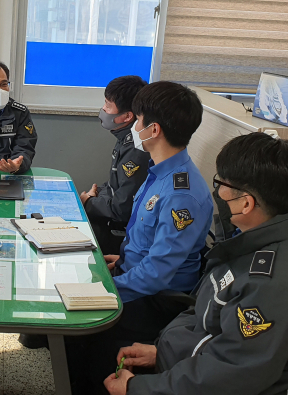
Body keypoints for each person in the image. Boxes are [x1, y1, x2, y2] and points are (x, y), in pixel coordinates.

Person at [105, 132, 288, 395]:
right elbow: (212, 320)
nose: (218, 192)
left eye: (221, 183)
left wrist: (136, 388)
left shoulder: (269, 285)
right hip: (192, 360)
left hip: (208, 382)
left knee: (97, 364)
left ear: (246, 203)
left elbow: (226, 377)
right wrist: (162, 351)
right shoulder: (286, 238)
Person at [67, 81, 213, 394]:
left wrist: (107, 290)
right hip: (135, 277)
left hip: (155, 300)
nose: (134, 127)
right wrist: (123, 259)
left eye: (139, 121)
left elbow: (158, 273)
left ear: (154, 129)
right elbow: (147, 241)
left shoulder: (181, 194)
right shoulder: (159, 172)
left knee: (76, 325)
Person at [80, 76, 150, 254]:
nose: (103, 109)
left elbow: (122, 209)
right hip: (110, 220)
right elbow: (115, 186)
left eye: (108, 105)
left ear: (127, 116)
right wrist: (95, 195)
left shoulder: (136, 149)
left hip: (119, 234)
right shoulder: (124, 137)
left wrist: (89, 202)